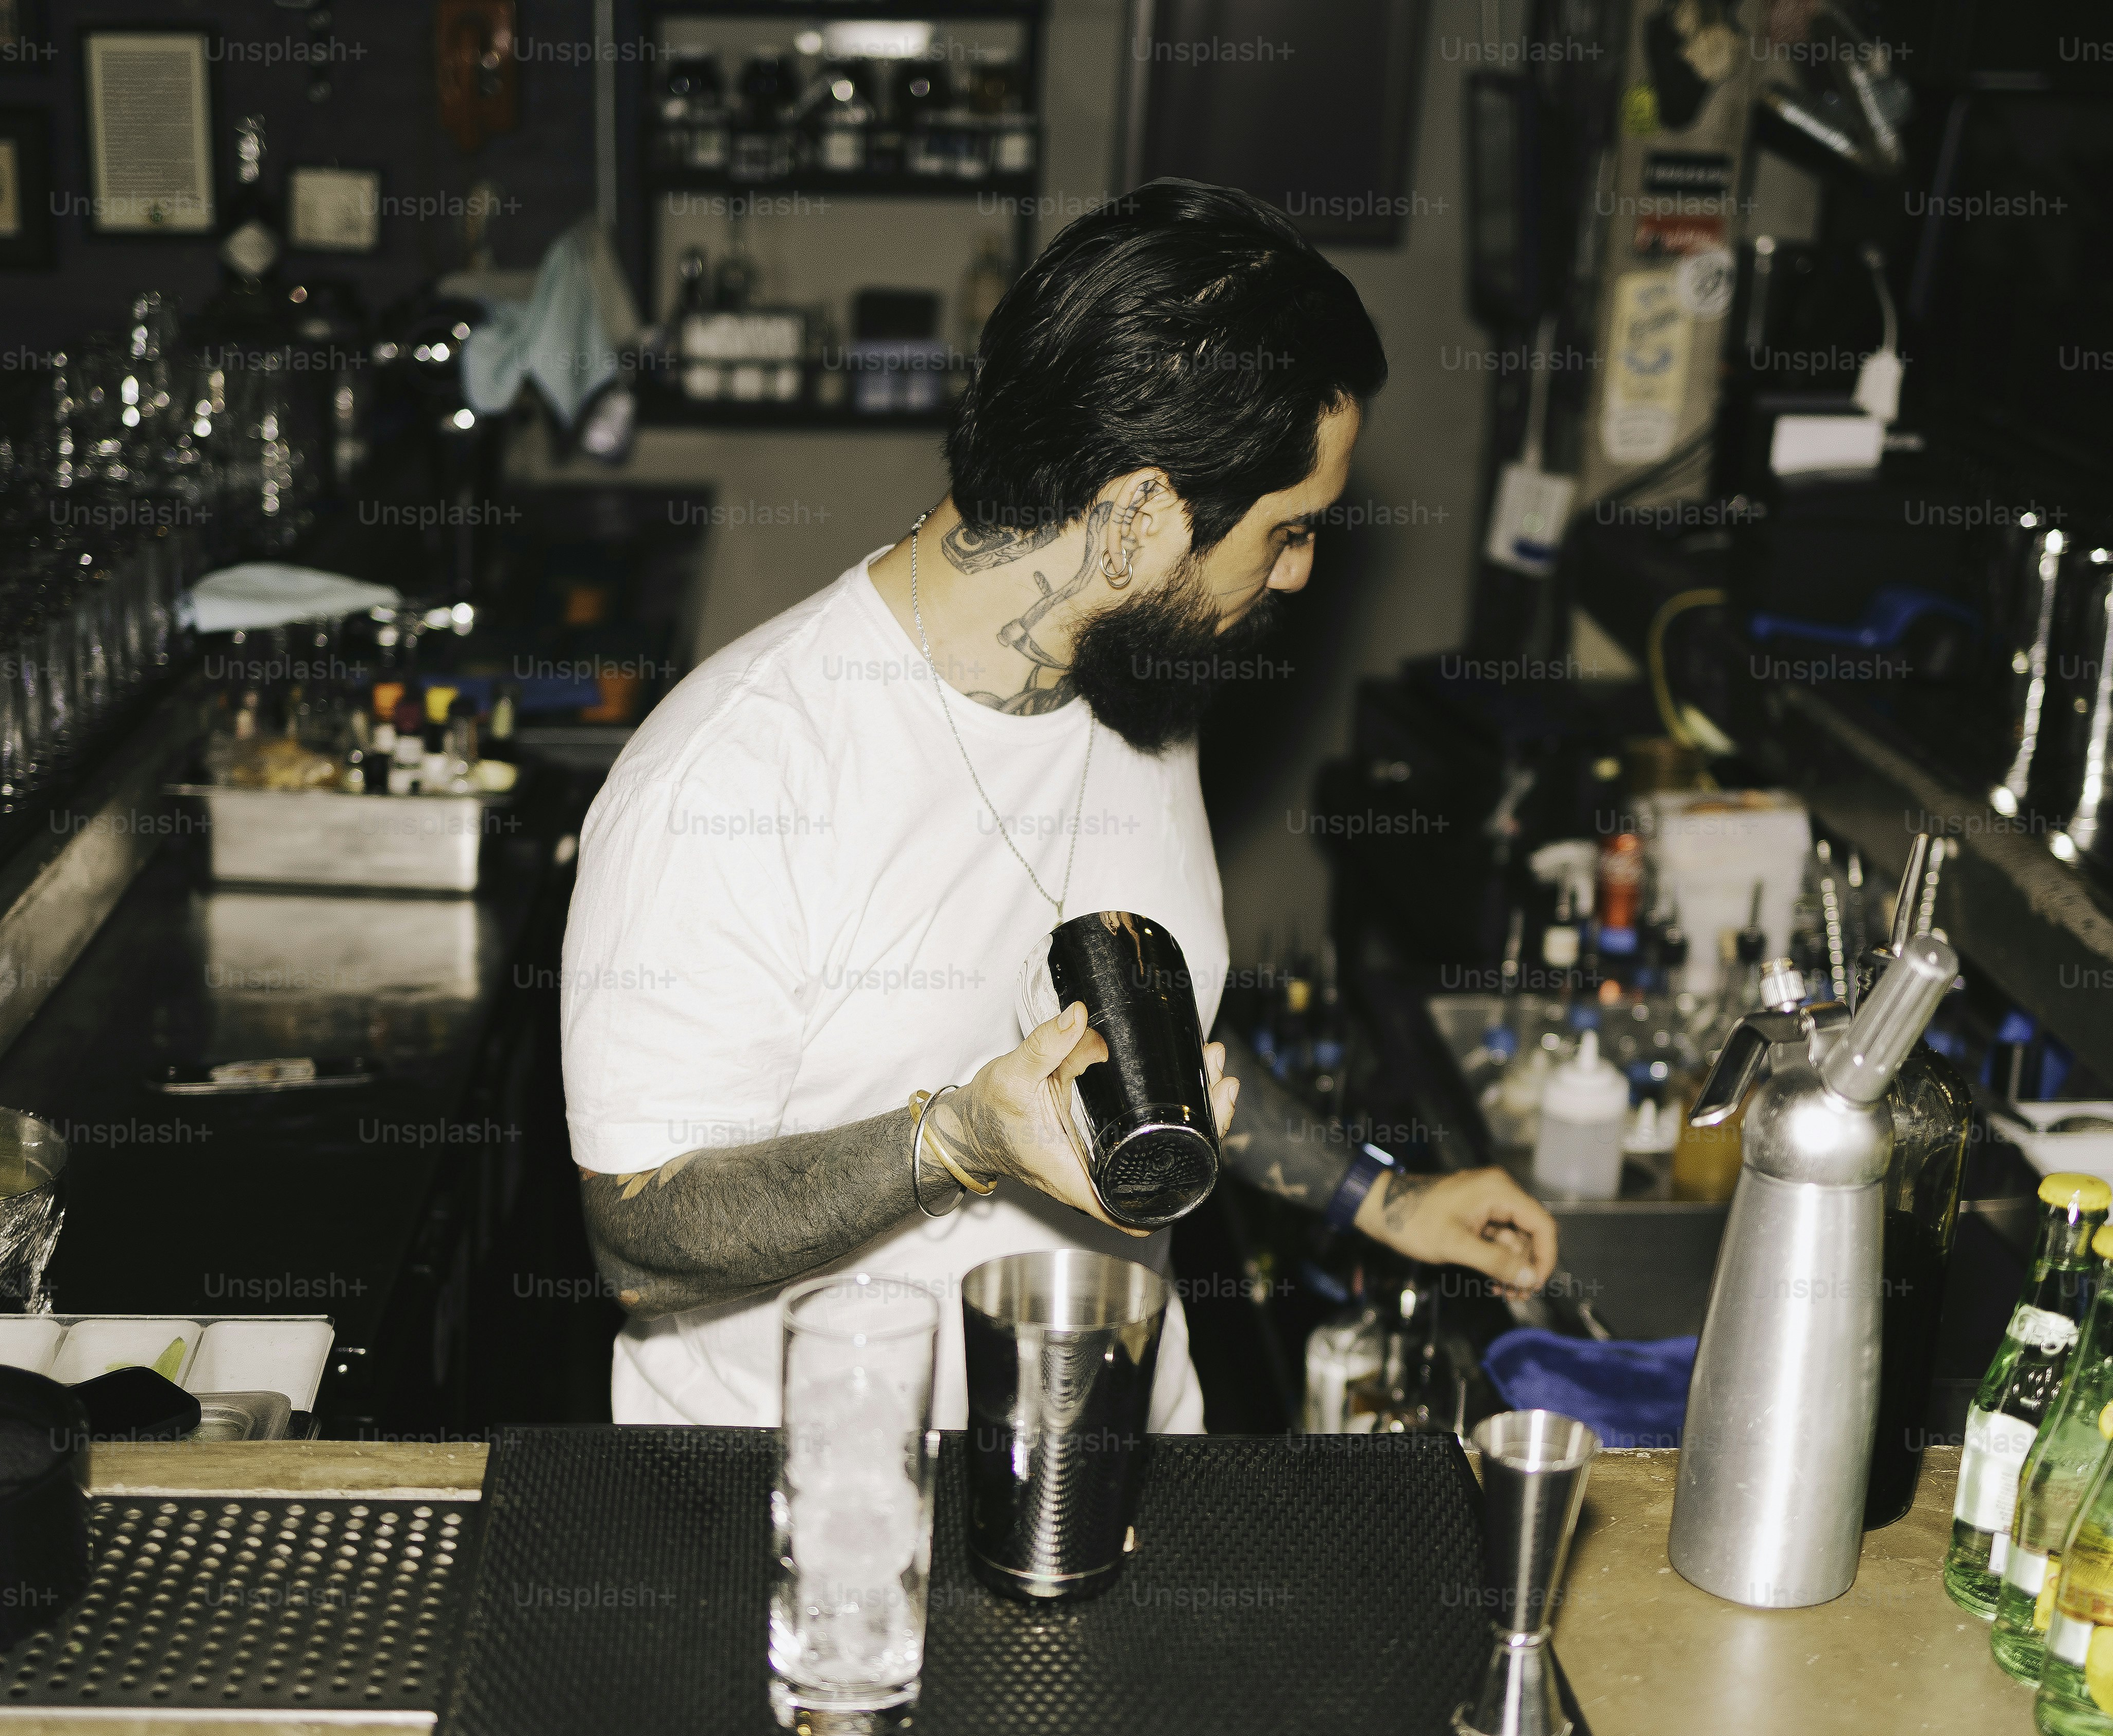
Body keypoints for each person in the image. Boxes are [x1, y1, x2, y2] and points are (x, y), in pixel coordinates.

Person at [561, 178, 1559, 1427]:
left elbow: (1153, 1030)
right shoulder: (733, 777)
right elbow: (639, 1236)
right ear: (1140, 516)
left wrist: (1379, 1195)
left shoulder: (1143, 679)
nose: (1302, 572)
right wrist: (960, 1139)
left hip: (1120, 1465)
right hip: (817, 1513)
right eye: (1289, 530)